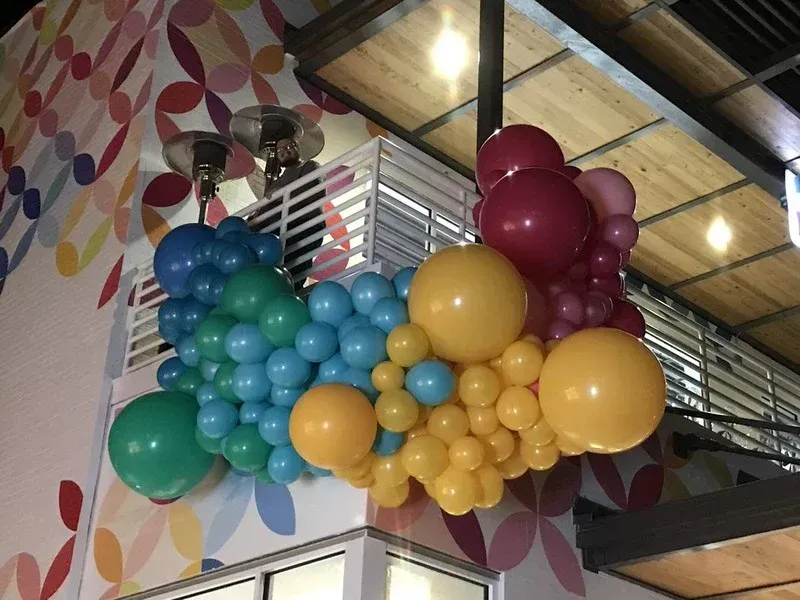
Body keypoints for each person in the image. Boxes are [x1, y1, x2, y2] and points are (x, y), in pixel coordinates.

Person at [248, 138, 326, 292]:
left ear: (298, 148)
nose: (283, 150)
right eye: (279, 149)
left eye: (288, 146)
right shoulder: (277, 181)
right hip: (276, 231)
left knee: (291, 274)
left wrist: (277, 198)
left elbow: (309, 192)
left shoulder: (310, 166)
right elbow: (263, 209)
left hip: (303, 225)